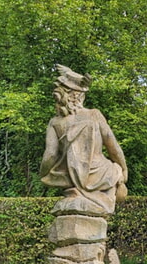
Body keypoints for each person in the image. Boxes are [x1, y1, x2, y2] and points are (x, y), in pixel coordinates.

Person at [40, 64, 128, 214]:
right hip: (101, 174)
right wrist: (123, 169)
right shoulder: (94, 115)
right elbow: (113, 148)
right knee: (115, 171)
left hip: (69, 176)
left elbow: (51, 155)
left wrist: (43, 173)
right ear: (79, 96)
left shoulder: (54, 123)